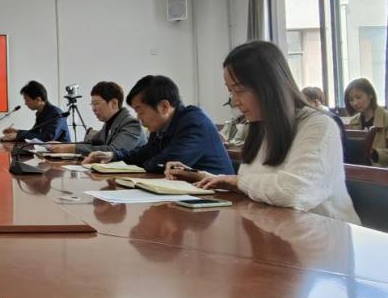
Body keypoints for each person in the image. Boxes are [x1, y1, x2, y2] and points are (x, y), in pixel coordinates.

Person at [169, 41, 359, 223]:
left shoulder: (319, 126)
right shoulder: (261, 126)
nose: (234, 101)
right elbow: (253, 184)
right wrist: (204, 176)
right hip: (279, 229)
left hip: (325, 235)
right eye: (230, 91)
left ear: (269, 86)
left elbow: (294, 192)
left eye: (239, 90)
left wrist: (237, 182)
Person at [83, 75, 234, 175]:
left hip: (220, 201)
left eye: (140, 111)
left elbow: (165, 164)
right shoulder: (161, 126)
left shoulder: (194, 123)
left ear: (164, 107)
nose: (138, 118)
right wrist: (113, 156)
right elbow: (144, 153)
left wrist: (146, 161)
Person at [45, 81, 144, 155]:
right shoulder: (109, 122)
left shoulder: (131, 124)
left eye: (96, 103)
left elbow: (113, 151)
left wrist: (71, 149)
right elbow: (91, 144)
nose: (93, 108)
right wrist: (64, 145)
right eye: (92, 104)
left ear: (114, 103)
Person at [1, 81, 70, 143]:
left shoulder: (56, 113)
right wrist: (17, 131)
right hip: (47, 150)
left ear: (38, 99)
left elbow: (48, 138)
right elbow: (34, 133)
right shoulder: (40, 112)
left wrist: (18, 135)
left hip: (62, 151)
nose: (25, 103)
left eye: (27, 100)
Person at [343, 78, 388, 165]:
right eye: (351, 100)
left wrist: (374, 154)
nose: (355, 103)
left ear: (370, 95)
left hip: (381, 169)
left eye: (358, 97)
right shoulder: (353, 121)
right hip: (360, 167)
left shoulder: (386, 118)